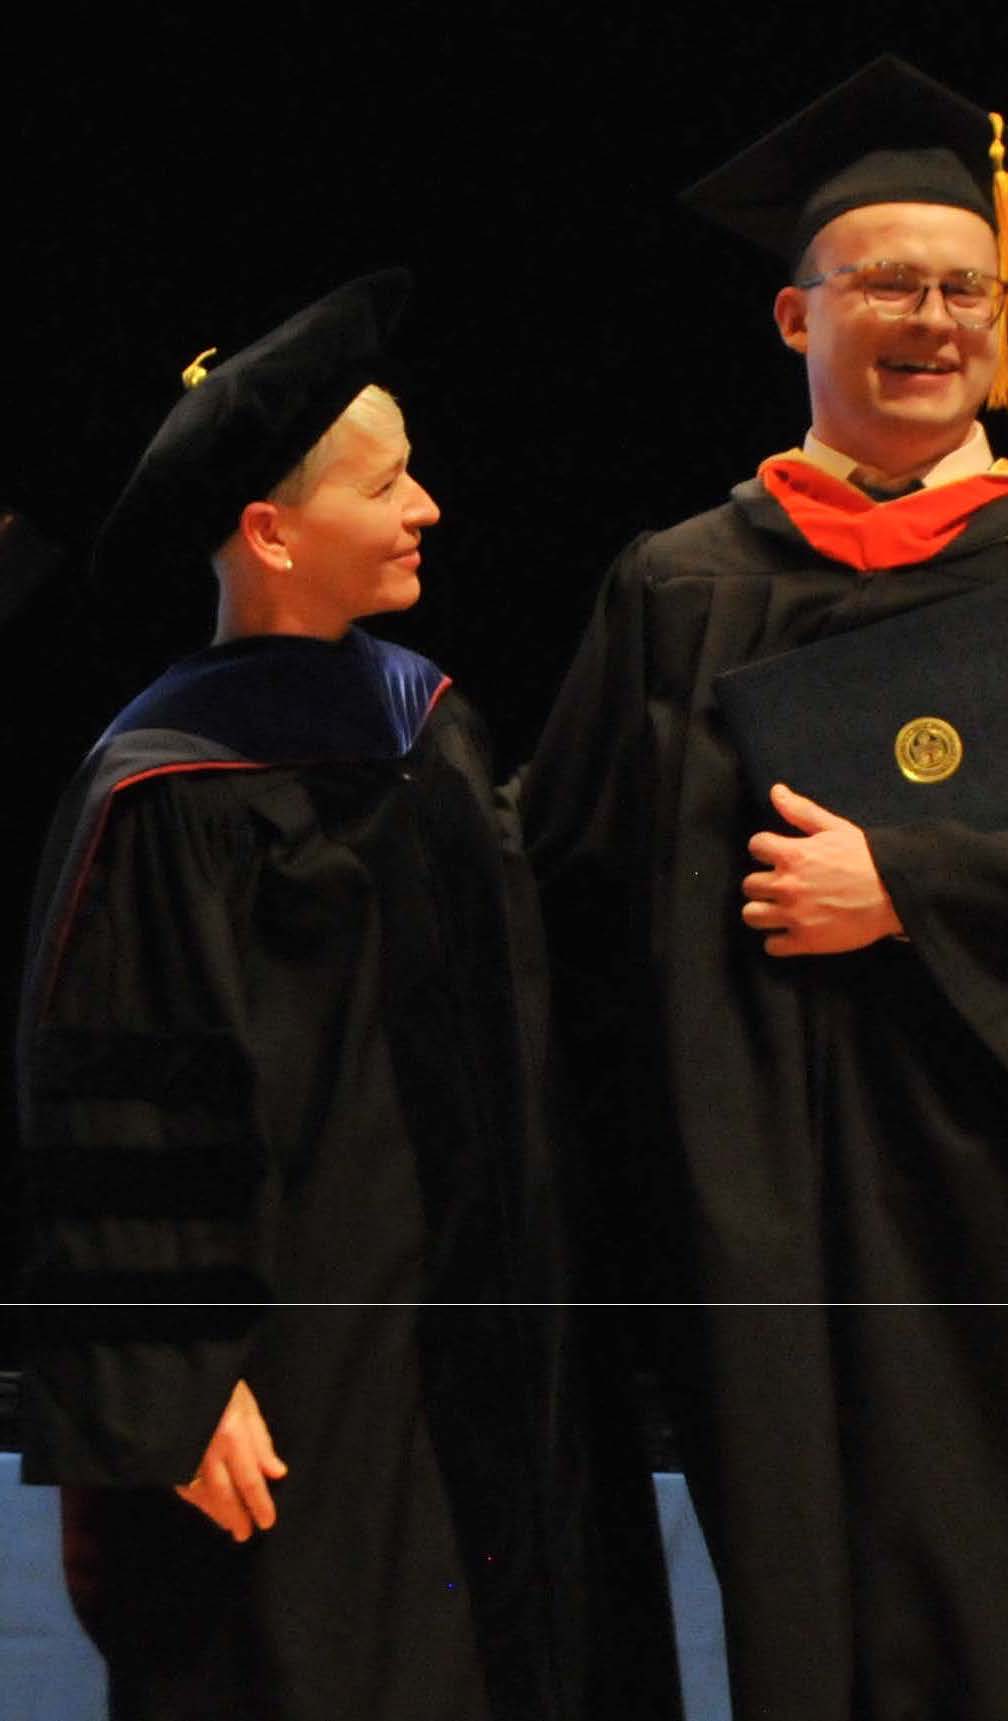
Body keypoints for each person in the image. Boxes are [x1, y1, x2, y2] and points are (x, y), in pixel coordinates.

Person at [521, 56, 1008, 1721]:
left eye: (965, 289)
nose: (931, 320)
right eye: (887, 284)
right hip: (770, 1202)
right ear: (794, 319)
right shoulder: (680, 586)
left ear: (1007, 316)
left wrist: (899, 882)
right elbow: (558, 866)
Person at [17, 272, 582, 1721]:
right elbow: (124, 1113)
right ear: (271, 530)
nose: (429, 507)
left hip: (460, 1336)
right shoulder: (167, 783)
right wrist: (179, 1377)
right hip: (285, 1374)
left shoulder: (429, 725)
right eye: (387, 483)